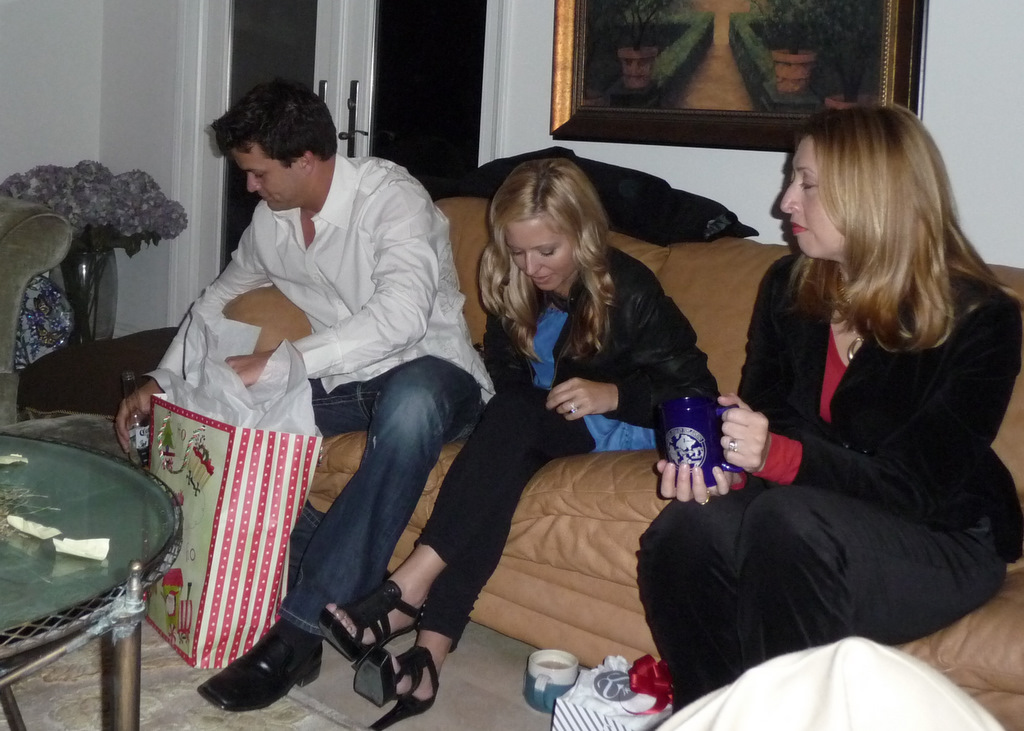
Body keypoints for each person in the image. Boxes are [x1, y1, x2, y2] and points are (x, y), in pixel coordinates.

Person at [114, 78, 492, 711]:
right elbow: (217, 301)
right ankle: (206, 571)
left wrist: (284, 361)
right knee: (227, 408)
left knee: (408, 403)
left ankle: (296, 638)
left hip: (435, 378)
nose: (249, 186)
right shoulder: (273, 222)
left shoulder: (392, 199)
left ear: (306, 159)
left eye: (258, 172)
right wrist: (163, 380)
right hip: (349, 381)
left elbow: (401, 319)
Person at [637, 104, 1024, 708]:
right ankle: (712, 715)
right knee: (686, 530)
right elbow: (771, 418)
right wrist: (724, 461)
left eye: (807, 183)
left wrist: (777, 457)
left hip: (938, 535)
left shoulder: (980, 320)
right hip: (810, 510)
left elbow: (918, 487)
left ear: (871, 195)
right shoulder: (790, 287)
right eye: (792, 179)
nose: (785, 202)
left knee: (789, 524)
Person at [317, 158, 718, 729]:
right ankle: (429, 655)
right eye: (518, 251)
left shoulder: (628, 287)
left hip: (618, 426)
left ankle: (407, 587)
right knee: (500, 462)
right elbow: (506, 371)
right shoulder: (510, 276)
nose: (532, 267)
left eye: (547, 251)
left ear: (583, 233)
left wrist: (614, 394)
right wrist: (519, 409)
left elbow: (697, 389)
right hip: (538, 422)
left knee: (511, 422)